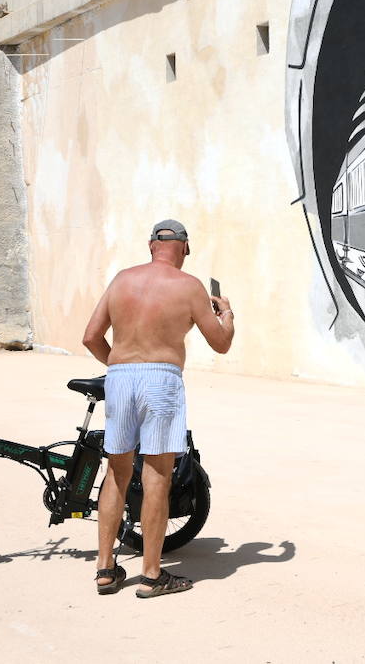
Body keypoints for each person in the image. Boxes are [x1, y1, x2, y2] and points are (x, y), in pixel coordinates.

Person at [81, 219, 235, 598]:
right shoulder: (189, 286)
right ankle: (151, 576)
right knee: (156, 477)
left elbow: (90, 337)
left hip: (120, 374)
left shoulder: (121, 280)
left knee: (116, 472)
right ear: (185, 248)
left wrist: (120, 368)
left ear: (151, 245)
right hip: (161, 379)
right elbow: (221, 343)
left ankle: (105, 569)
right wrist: (226, 313)